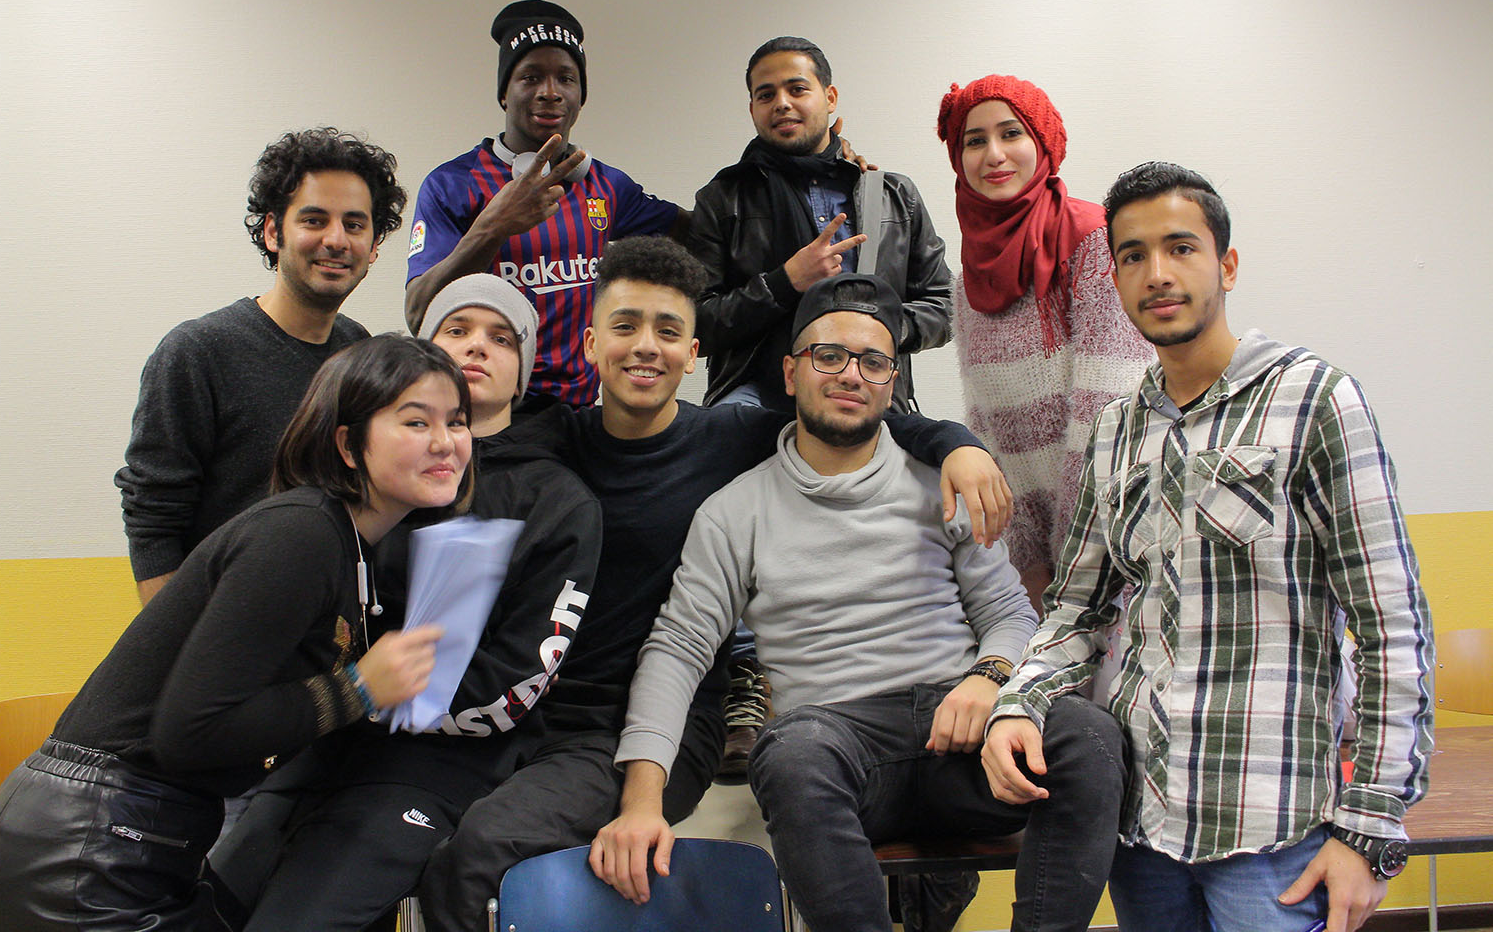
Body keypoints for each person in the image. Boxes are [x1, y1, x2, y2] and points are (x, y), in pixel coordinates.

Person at [415, 236, 1011, 932]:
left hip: (656, 726)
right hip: (528, 709)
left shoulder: (733, 441)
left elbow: (849, 411)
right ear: (590, 344)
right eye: (626, 326)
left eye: (668, 331)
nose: (646, 346)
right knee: (411, 838)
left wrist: (957, 443)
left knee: (477, 854)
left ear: (693, 353)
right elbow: (456, 441)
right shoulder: (554, 438)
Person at [589, 274, 1125, 932]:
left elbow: (1010, 614)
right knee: (789, 755)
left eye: (873, 361)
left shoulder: (944, 484)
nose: (851, 374)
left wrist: (990, 680)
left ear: (891, 383)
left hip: (963, 736)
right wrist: (641, 802)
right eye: (829, 355)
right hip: (836, 750)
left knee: (1089, 736)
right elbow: (678, 651)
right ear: (791, 374)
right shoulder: (734, 512)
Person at [982, 163, 1434, 932]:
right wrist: (1016, 704)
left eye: (1181, 247)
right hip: (1141, 833)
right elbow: (1076, 610)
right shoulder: (1115, 431)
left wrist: (1369, 828)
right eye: (1133, 256)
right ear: (1116, 280)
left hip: (1273, 835)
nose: (1157, 273)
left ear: (1226, 264)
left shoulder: (1314, 400)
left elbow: (1391, 622)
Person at [0, 334, 472, 930]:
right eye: (416, 421)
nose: (445, 442)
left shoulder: (344, 543)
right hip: (89, 845)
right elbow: (191, 731)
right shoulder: (301, 535)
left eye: (457, 421)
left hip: (123, 835)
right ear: (348, 445)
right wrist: (358, 689)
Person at [206, 275, 603, 931]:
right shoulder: (373, 479)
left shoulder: (558, 500)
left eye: (502, 338)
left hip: (436, 769)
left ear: (524, 372)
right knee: (205, 910)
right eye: (457, 330)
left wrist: (368, 693)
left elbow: (515, 679)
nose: (476, 347)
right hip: (316, 752)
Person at [116, 127, 406, 604]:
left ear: (374, 245)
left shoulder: (360, 352)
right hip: (225, 628)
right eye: (314, 220)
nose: (336, 239)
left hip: (327, 632)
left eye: (355, 225)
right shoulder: (197, 352)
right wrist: (180, 639)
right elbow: (153, 523)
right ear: (273, 232)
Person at [935, 74, 1153, 606]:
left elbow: (1111, 404)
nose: (994, 154)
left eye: (1011, 133)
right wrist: (1022, 560)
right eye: (975, 140)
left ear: (1043, 141)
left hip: (1115, 534)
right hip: (1035, 558)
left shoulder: (1093, 235)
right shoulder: (968, 276)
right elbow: (986, 421)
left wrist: (1076, 562)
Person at [404, 0, 682, 407]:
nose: (550, 93)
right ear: (505, 93)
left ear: (581, 96)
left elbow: (701, 231)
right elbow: (418, 313)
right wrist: (495, 226)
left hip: (580, 415)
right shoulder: (452, 184)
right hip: (488, 413)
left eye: (566, 79)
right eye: (531, 77)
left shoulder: (606, 185)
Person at [688, 36, 952, 415]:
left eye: (797, 89)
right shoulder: (722, 199)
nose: (782, 103)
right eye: (766, 95)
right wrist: (783, 283)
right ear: (752, 109)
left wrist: (882, 329)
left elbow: (945, 305)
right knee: (717, 441)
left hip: (869, 394)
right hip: (755, 398)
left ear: (830, 98)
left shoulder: (892, 195)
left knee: (948, 445)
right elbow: (695, 324)